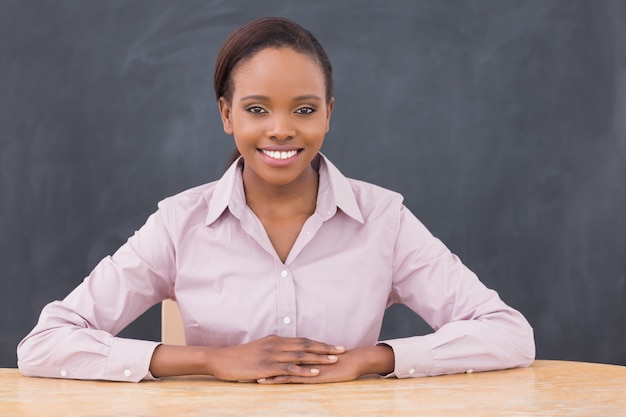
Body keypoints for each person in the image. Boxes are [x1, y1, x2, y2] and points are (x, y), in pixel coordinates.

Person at [17, 17, 535, 383]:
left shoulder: (384, 221)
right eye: (257, 109)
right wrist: (210, 360)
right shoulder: (181, 223)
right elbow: (44, 345)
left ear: (329, 114)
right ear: (226, 115)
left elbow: (508, 335)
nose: (281, 129)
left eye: (304, 109)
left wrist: (370, 359)